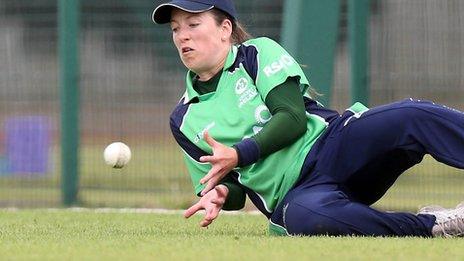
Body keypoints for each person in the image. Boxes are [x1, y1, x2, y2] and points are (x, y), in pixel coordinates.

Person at [152, 0, 464, 237]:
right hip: (297, 194)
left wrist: (238, 153)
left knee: (410, 114)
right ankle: (436, 225)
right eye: (176, 29)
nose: (182, 36)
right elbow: (228, 188)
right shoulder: (183, 118)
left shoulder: (256, 54)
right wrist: (220, 194)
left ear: (225, 30)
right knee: (306, 217)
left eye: (193, 24)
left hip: (335, 145)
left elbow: (291, 118)